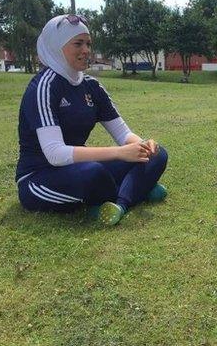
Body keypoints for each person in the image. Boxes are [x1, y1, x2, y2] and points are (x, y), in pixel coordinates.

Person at [15, 14, 168, 225]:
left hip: (79, 167)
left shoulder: (92, 86)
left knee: (157, 155)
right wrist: (119, 153)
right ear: (55, 47)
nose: (86, 50)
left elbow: (123, 134)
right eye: (78, 43)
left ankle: (119, 203)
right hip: (40, 177)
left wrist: (143, 146)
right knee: (95, 174)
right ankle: (135, 191)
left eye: (88, 43)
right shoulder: (44, 86)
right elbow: (55, 154)